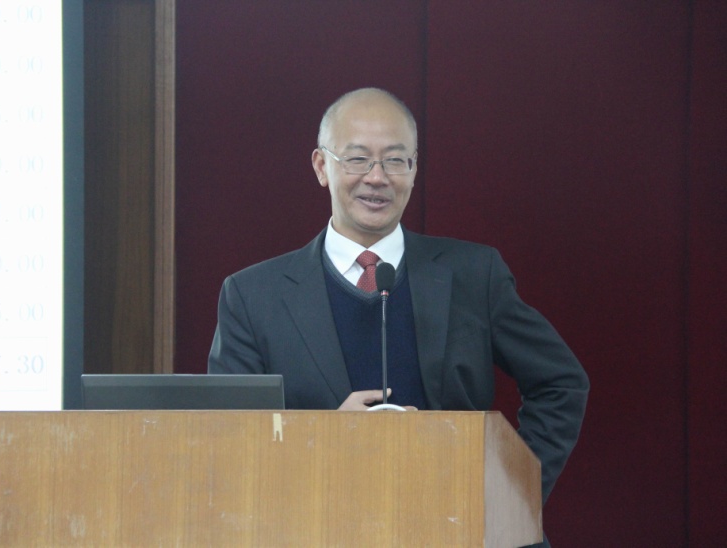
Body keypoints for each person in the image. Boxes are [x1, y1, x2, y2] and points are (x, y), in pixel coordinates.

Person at [208, 88, 589, 537]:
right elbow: (230, 439)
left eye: (394, 160)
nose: (377, 177)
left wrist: (508, 494)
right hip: (316, 529)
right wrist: (321, 439)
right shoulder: (253, 295)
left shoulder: (474, 273)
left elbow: (561, 383)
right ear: (321, 167)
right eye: (357, 159)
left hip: (459, 528)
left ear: (414, 168)